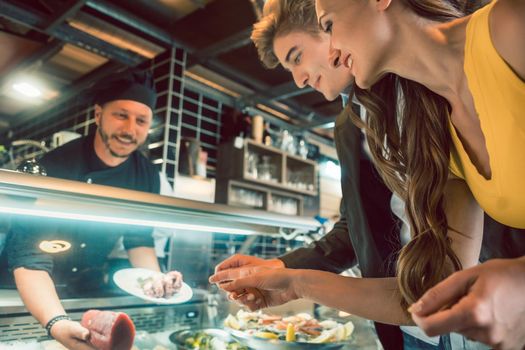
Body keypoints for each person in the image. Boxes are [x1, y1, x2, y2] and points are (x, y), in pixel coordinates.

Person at [312, 0, 524, 348]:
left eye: (329, 24)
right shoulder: (442, 134)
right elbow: (433, 290)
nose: (332, 52)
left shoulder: (509, 27)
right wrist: (292, 284)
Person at [215, 0, 406, 348]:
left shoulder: (422, 86)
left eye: (297, 57)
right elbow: (355, 229)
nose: (300, 80)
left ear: (331, 28)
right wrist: (276, 268)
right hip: (404, 324)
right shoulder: (349, 124)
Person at [5, 69, 179, 350]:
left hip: (83, 289)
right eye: (121, 115)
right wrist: (56, 323)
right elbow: (28, 257)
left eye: (141, 120)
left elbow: (139, 239)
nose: (130, 129)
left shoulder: (147, 175)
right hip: (28, 292)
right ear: (98, 115)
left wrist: (155, 280)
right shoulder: (56, 165)